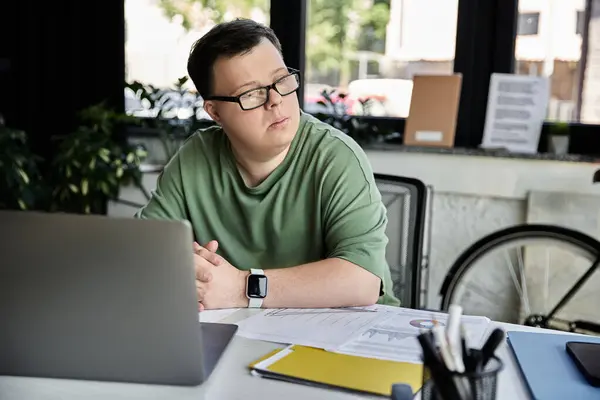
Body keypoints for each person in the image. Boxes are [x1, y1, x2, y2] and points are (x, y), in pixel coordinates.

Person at [135, 18, 400, 310]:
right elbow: (145, 250)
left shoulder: (335, 157)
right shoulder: (195, 158)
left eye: (282, 80)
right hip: (245, 332)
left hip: (352, 334)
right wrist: (191, 268)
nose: (275, 100)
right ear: (215, 112)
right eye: (251, 93)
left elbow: (362, 281)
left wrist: (241, 287)